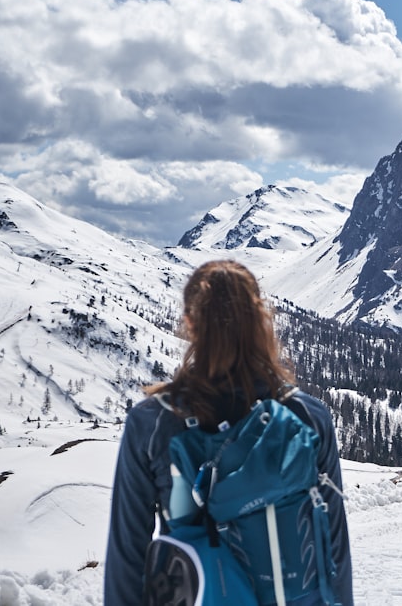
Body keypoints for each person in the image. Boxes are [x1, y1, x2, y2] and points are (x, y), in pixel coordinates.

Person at [104, 259, 353, 605]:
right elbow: (334, 550)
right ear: (260, 322)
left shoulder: (153, 423)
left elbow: (128, 558)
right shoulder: (306, 417)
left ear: (190, 324)